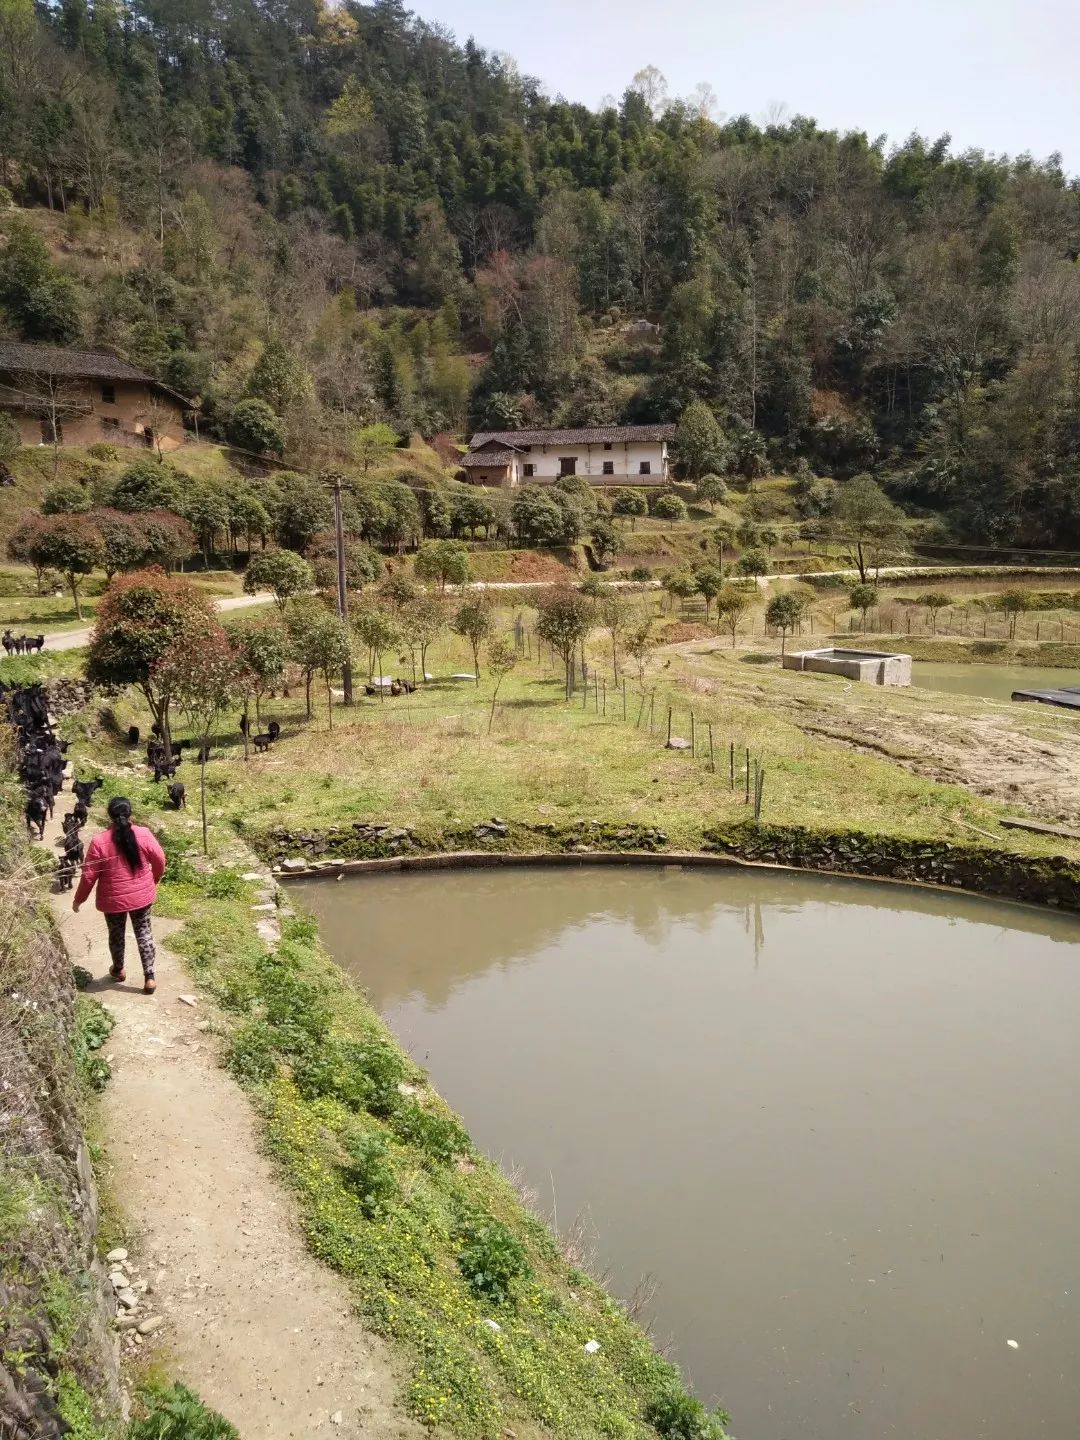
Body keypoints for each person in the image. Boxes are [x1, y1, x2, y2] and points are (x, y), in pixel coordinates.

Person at [73, 797, 167, 994]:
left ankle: (118, 969)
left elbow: (89, 876)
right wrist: (154, 879)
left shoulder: (99, 842)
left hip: (113, 899)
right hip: (141, 896)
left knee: (116, 934)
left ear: (110, 814)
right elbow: (159, 859)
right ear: (130, 813)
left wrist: (79, 899)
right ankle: (149, 977)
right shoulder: (144, 834)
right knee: (144, 933)